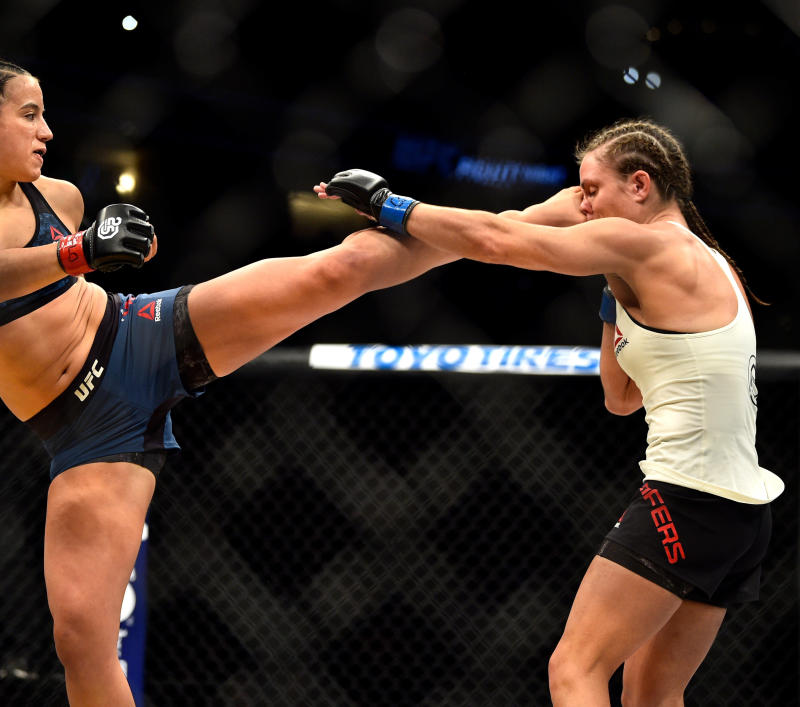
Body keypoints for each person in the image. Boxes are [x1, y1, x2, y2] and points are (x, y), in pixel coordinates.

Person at [0, 38, 458, 707]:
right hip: (82, 424)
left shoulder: (59, 197)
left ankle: (517, 226)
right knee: (81, 639)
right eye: (31, 115)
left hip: (140, 334)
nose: (47, 131)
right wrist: (78, 251)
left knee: (336, 269)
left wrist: (129, 240)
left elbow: (103, 254)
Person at [315, 118, 784, 706]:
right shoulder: (705, 261)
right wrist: (613, 287)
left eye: (593, 190)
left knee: (575, 670)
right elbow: (620, 398)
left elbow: (499, 243)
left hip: (685, 500)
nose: (582, 204)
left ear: (640, 185)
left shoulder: (650, 243)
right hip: (743, 516)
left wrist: (389, 204)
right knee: (653, 695)